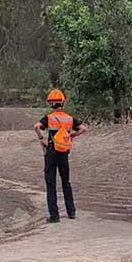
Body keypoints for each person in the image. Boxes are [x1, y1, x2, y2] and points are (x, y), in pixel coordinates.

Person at [33, 89, 88, 223]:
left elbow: (36, 127)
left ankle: (54, 216)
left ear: (51, 104)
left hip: (51, 152)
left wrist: (41, 138)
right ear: (63, 103)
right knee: (66, 182)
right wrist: (71, 136)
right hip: (64, 153)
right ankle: (71, 212)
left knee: (51, 184)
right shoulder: (70, 119)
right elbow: (84, 128)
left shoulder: (49, 118)